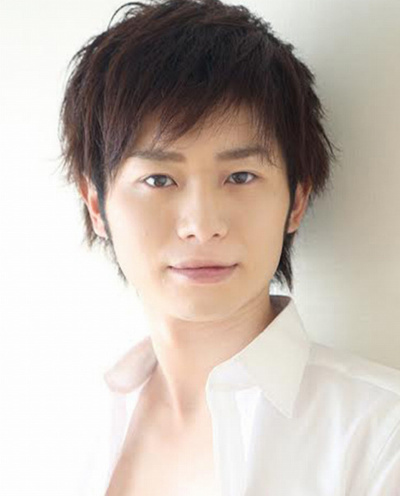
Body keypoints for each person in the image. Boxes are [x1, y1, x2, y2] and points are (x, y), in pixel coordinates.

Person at [58, 0, 400, 494]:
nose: (202, 225)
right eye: (159, 179)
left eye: (240, 176)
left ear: (296, 200)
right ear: (96, 205)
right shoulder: (72, 424)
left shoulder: (379, 435)